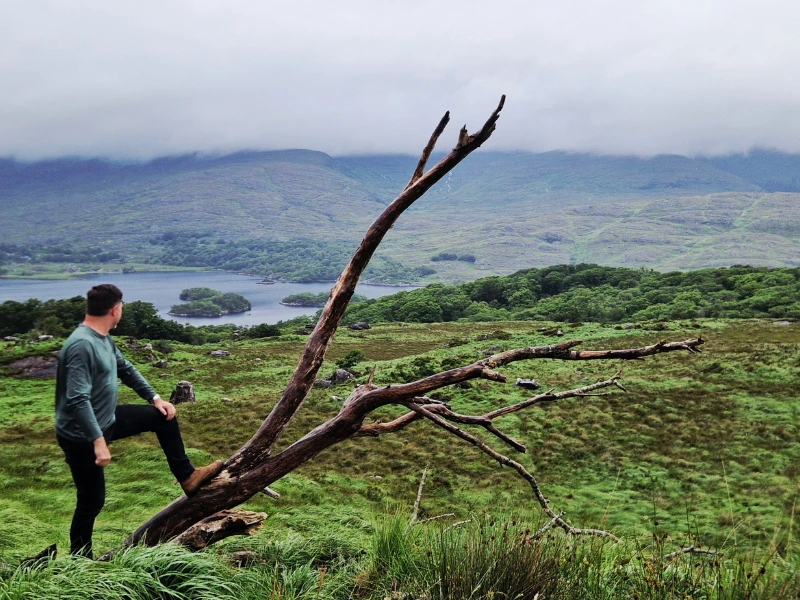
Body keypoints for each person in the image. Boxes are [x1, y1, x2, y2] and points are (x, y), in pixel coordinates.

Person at [55, 284, 222, 557]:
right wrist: (98, 441)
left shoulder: (102, 337)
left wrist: (156, 399)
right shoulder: (81, 345)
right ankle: (80, 560)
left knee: (163, 417)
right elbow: (76, 399)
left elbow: (126, 369)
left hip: (107, 419)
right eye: (122, 307)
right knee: (91, 501)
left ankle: (188, 476)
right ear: (115, 309)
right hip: (81, 435)